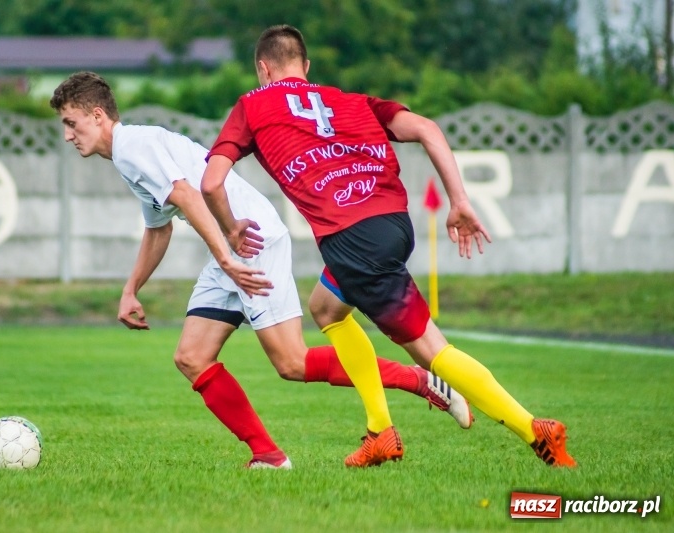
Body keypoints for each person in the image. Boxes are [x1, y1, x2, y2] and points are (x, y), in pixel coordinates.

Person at [49, 71, 471, 470]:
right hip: (231, 248)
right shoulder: (130, 153)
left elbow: (189, 196)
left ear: (97, 115)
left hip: (251, 241)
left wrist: (228, 258)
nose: (68, 135)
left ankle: (418, 380)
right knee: (192, 357)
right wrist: (131, 289)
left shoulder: (132, 147)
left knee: (292, 362)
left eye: (72, 123)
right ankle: (268, 456)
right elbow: (158, 228)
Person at [201, 25, 576, 468]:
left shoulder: (252, 105)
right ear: (306, 66)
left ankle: (534, 430)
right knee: (326, 308)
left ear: (263, 69)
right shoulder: (352, 101)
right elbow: (428, 129)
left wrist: (230, 228)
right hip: (393, 224)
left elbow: (211, 183)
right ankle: (380, 432)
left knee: (432, 351)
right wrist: (459, 201)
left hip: (351, 239)